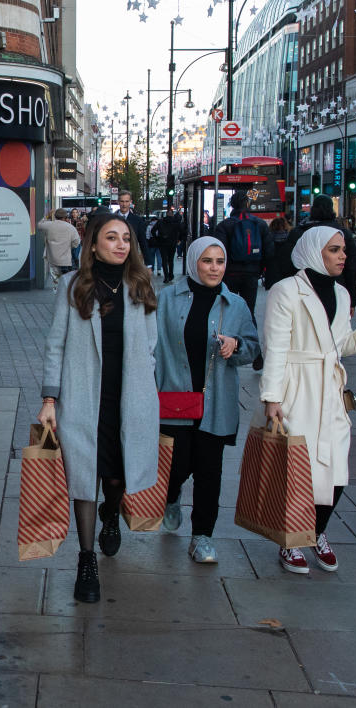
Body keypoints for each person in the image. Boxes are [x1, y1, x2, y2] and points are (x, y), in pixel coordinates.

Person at [260, 227, 356, 574]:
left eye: (344, 250)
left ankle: (317, 531)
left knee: (336, 469)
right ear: (313, 252)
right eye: (334, 250)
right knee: (296, 468)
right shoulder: (285, 291)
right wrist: (272, 397)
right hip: (297, 387)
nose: (343, 256)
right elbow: (274, 346)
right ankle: (290, 538)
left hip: (330, 389)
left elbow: (338, 348)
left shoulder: (340, 292)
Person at [38, 214, 159, 603]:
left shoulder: (140, 284)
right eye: (112, 237)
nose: (121, 244)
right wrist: (50, 398)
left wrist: (146, 386)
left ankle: (112, 514)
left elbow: (151, 348)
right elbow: (55, 343)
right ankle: (86, 560)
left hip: (129, 397)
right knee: (85, 474)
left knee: (117, 475)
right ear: (92, 244)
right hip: (85, 396)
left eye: (126, 238)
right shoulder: (75, 286)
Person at [156, 237, 260, 563]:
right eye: (207, 261)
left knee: (209, 472)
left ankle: (202, 537)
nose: (214, 268)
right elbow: (153, 346)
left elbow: (253, 349)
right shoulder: (168, 299)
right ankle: (171, 497)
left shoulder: (236, 305)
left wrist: (236, 345)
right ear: (193, 263)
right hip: (175, 399)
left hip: (216, 403)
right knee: (176, 466)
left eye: (219, 261)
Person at [213, 190, 273, 370]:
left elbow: (219, 251)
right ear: (248, 204)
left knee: (225, 310)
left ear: (232, 205)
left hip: (230, 274)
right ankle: (256, 353)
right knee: (249, 312)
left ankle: (222, 346)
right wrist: (260, 270)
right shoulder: (259, 224)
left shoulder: (225, 225)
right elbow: (269, 253)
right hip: (251, 275)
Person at [284, 195, 356, 304]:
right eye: (334, 250)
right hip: (335, 291)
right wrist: (352, 299)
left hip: (302, 290)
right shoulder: (342, 234)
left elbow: (287, 264)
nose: (342, 255)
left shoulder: (298, 232)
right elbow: (353, 268)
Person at [38, 208, 80, 290]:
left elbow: (39, 225)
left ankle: (57, 293)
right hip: (65, 259)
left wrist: (47, 216)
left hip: (52, 258)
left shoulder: (49, 225)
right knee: (66, 280)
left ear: (55, 216)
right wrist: (69, 246)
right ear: (66, 217)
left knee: (56, 280)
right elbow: (76, 242)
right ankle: (65, 295)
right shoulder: (71, 227)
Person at [262, 216, 294, 290]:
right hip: (288, 275)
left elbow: (265, 257)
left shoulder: (268, 239)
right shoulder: (291, 238)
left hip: (272, 274)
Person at [156, 205, 184, 283]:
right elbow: (182, 231)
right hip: (172, 243)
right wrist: (179, 239)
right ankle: (171, 274)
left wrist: (158, 238)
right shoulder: (175, 223)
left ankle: (166, 276)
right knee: (170, 260)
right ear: (172, 214)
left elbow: (153, 231)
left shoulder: (160, 222)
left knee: (164, 260)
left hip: (163, 243)